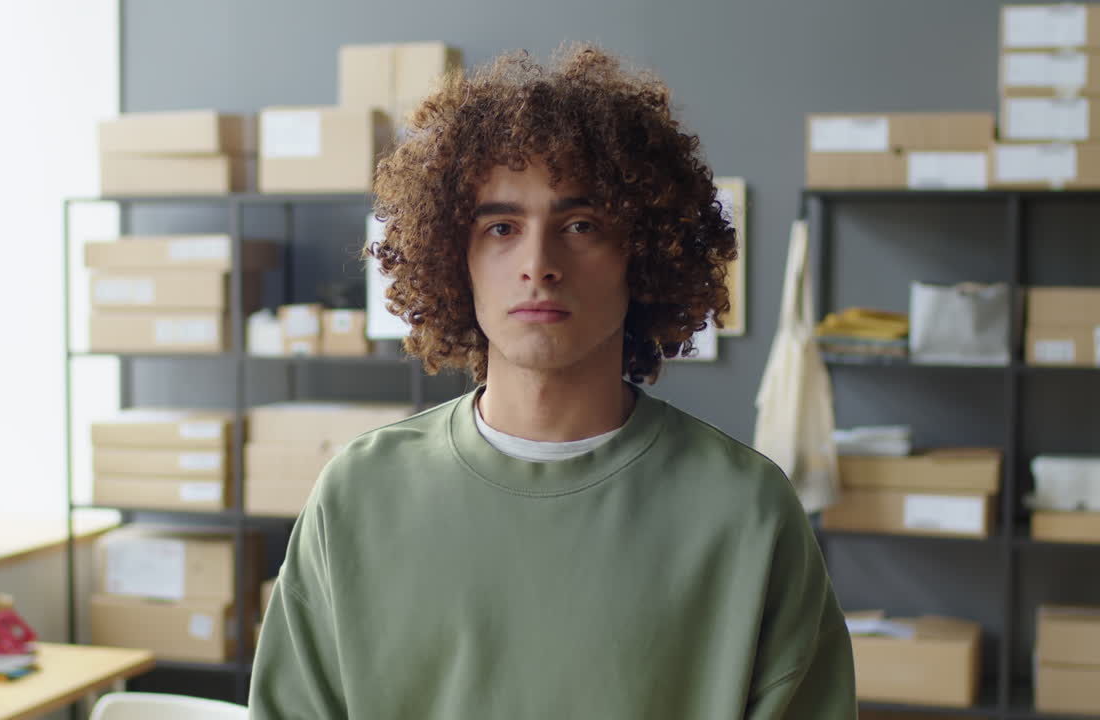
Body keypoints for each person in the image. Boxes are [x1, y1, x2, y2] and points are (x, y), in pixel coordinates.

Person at [248, 44, 856, 719]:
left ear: (642, 254)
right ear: (454, 257)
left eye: (582, 225)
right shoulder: (357, 497)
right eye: (501, 227)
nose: (538, 263)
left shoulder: (748, 513)